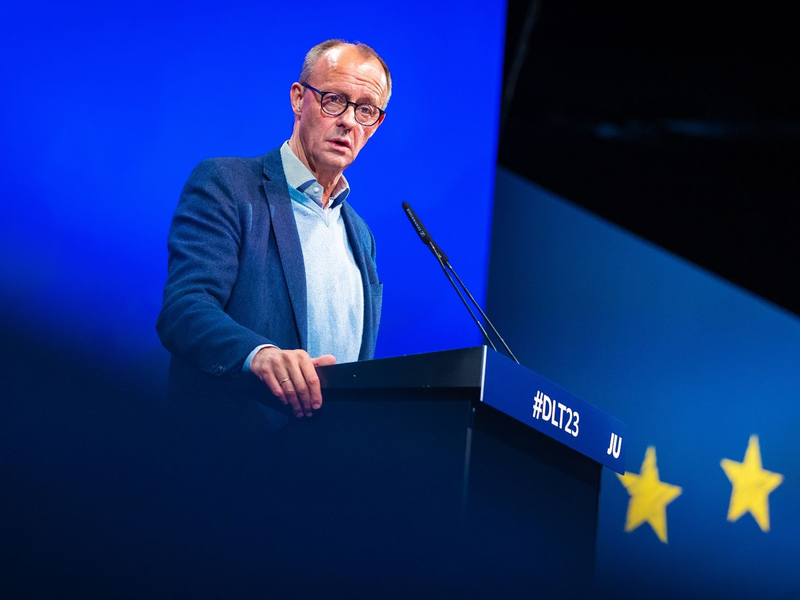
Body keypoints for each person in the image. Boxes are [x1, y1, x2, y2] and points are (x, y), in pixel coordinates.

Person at [156, 40, 390, 424]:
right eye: (334, 99)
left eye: (365, 110)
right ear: (299, 99)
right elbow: (185, 310)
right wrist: (259, 355)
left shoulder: (361, 237)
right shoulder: (227, 185)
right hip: (230, 454)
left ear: (376, 124)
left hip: (326, 467)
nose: (348, 120)